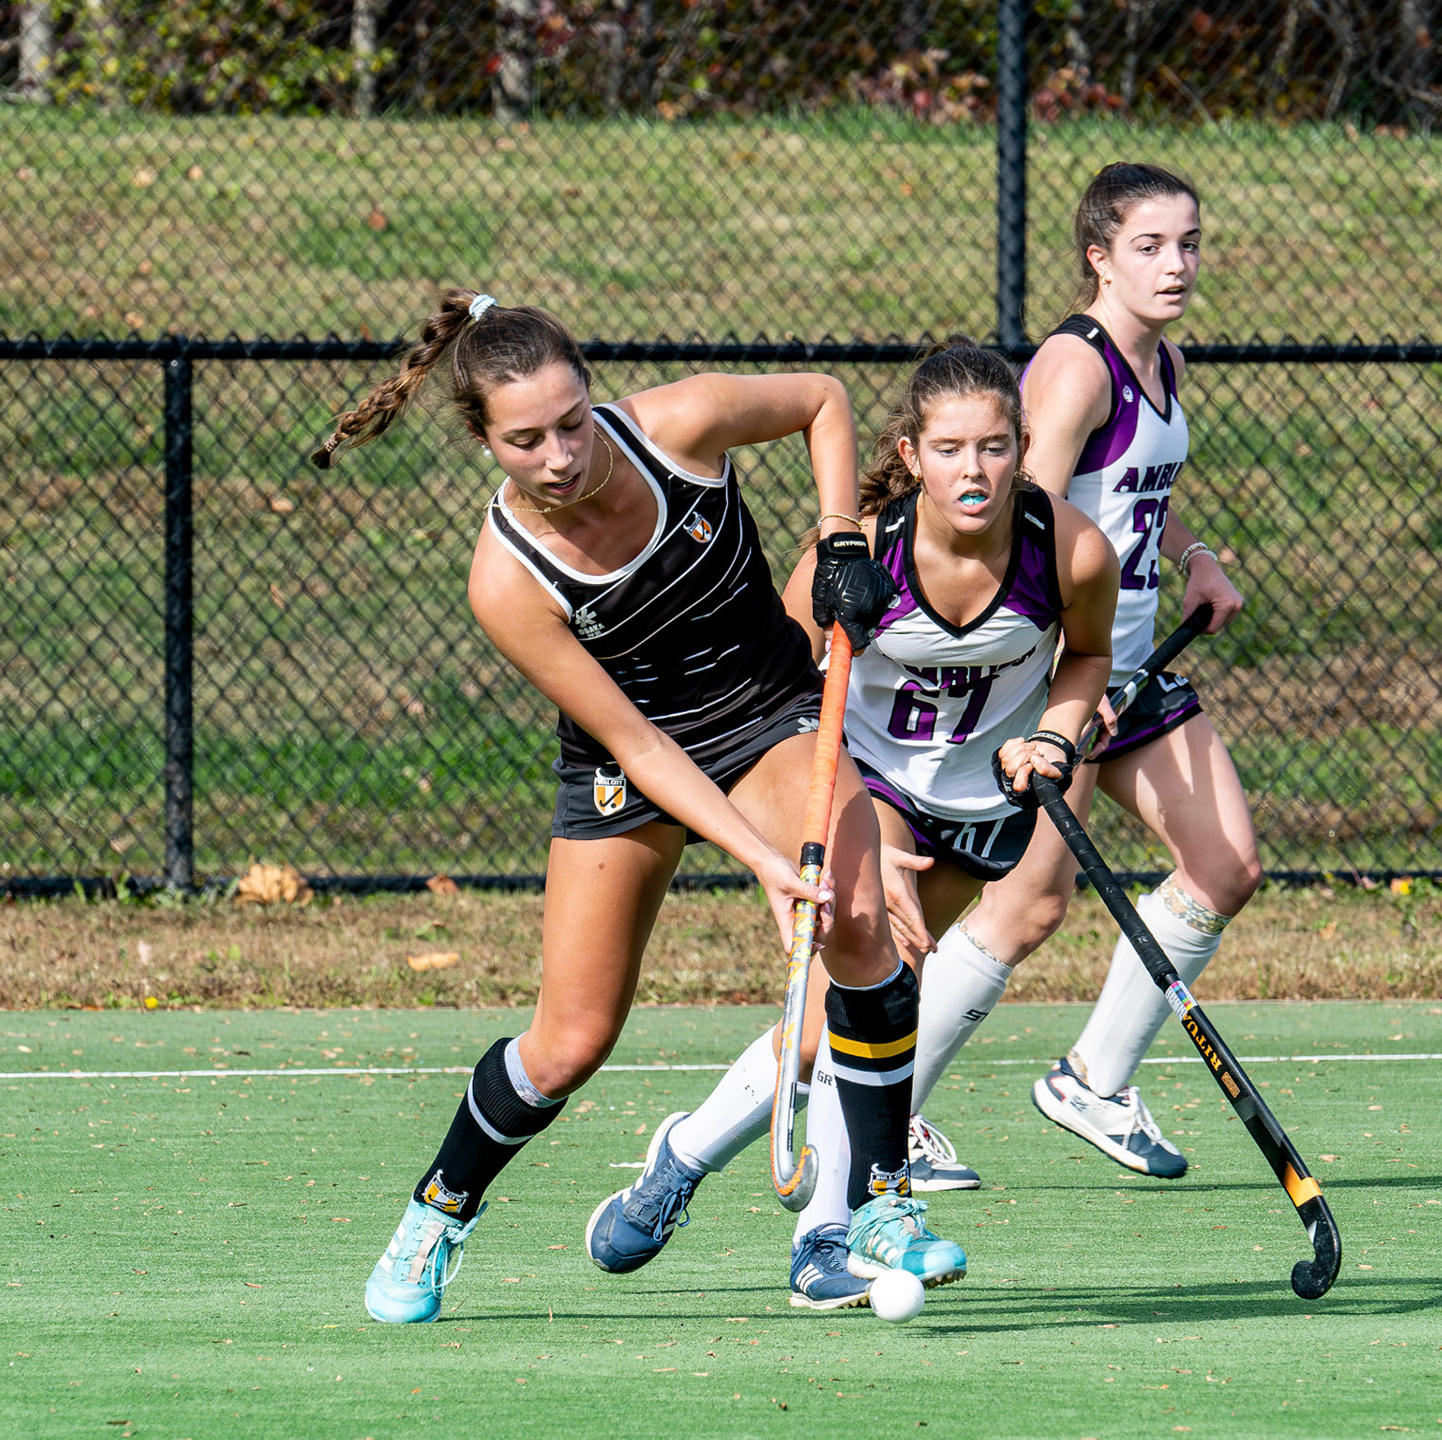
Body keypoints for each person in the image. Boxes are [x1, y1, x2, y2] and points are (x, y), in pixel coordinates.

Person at [314, 289, 934, 1324]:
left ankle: (878, 1205)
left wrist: (839, 541)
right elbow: (642, 746)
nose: (560, 456)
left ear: (592, 394)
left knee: (862, 925)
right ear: (484, 443)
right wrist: (761, 859)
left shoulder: (680, 427)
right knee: (568, 1043)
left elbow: (823, 400)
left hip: (766, 707)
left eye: (572, 422)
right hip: (630, 758)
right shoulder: (507, 582)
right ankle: (439, 1209)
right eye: (526, 441)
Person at [585, 340, 1117, 1308]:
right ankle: (829, 1233)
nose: (973, 471)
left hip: (975, 809)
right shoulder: (866, 557)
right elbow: (773, 692)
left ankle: (684, 1156)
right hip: (859, 789)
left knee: (838, 1026)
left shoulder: (1071, 551)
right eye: (949, 450)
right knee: (870, 999)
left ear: (1022, 447)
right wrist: (832, 832)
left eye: (994, 448)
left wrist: (1054, 734)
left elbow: (1086, 658)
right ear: (911, 454)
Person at [908, 162, 1259, 1183]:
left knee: (1224, 867)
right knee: (1026, 908)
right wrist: (1068, 684)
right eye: (1150, 246)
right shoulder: (1075, 370)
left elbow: (1137, 492)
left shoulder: (1164, 360)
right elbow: (1023, 523)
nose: (1177, 264)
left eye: (1189, 243)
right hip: (1066, 671)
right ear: (1100, 257)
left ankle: (1093, 1081)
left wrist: (1194, 558)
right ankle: (886, 1116)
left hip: (1135, 666)